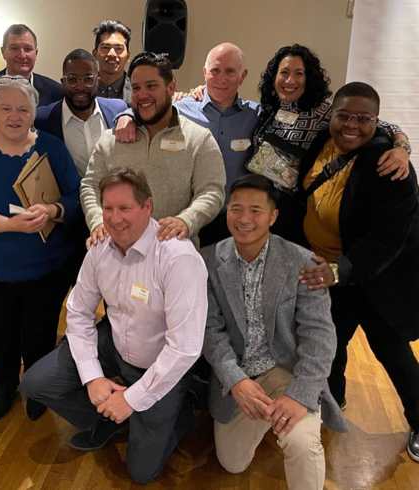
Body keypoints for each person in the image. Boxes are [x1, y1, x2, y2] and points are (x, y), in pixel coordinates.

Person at [21, 167, 208, 484]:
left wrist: (132, 399)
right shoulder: (100, 249)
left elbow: (185, 348)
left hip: (160, 364)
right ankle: (111, 418)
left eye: (125, 208)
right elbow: (78, 311)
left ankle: (181, 409)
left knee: (141, 472)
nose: (115, 218)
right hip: (114, 344)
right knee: (35, 383)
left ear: (147, 206)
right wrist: (92, 377)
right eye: (108, 208)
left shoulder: (177, 258)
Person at [297, 82, 419, 463]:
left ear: (376, 122)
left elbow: (387, 239)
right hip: (328, 271)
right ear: (330, 115)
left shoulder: (389, 164)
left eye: (363, 118)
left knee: (391, 351)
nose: (352, 125)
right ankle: (333, 398)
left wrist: (339, 270)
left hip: (375, 278)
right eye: (344, 115)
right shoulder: (321, 142)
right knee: (330, 341)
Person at [202, 173, 346, 490]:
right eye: (236, 208)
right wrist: (234, 379)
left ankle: (292, 417)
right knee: (232, 463)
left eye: (256, 210)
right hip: (240, 377)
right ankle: (266, 419)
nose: (244, 219)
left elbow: (320, 338)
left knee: (301, 443)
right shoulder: (208, 261)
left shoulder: (303, 262)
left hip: (286, 373)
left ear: (273, 216)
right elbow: (211, 332)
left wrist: (299, 395)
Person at [0, 77, 82, 421]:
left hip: (46, 267)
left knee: (40, 332)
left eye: (23, 109)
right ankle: (5, 385)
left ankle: (36, 389)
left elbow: (76, 195)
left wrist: (53, 210)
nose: (14, 115)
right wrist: (8, 224)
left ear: (33, 113)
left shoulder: (51, 147)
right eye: (6, 108)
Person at [251, 44, 410, 245]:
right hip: (261, 201)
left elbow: (385, 126)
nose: (290, 80)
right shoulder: (270, 108)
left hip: (292, 209)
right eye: (284, 72)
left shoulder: (324, 110)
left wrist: (401, 149)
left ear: (309, 78)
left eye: (299, 73)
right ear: (274, 77)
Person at [115, 43, 260, 246]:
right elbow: (149, 106)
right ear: (204, 72)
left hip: (238, 220)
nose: (221, 79)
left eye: (230, 72)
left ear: (243, 76)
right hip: (192, 219)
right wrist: (126, 115)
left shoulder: (255, 116)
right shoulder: (181, 108)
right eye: (215, 71)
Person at [80, 52, 226, 249]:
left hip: (174, 252)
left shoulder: (199, 139)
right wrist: (97, 221)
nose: (143, 95)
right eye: (137, 88)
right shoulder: (112, 139)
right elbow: (90, 186)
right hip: (117, 253)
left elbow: (212, 191)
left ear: (171, 88)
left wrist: (186, 221)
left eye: (151, 86)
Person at [35, 48, 127, 177]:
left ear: (98, 80)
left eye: (88, 79)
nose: (80, 87)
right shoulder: (42, 119)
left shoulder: (118, 109)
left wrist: (129, 115)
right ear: (63, 82)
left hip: (113, 195)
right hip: (68, 196)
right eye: (72, 79)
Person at [0, 24, 63, 128]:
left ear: (36, 53)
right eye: (14, 48)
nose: (22, 55)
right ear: (3, 52)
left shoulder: (56, 93)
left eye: (28, 49)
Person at [92, 20, 132, 106]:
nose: (112, 54)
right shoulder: (84, 89)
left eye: (118, 48)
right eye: (105, 47)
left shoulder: (137, 90)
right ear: (95, 54)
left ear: (128, 56)